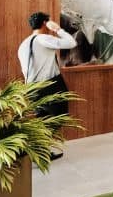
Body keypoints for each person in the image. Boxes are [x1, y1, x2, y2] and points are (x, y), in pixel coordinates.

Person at [18, 12, 77, 159]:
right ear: (45, 23)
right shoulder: (44, 39)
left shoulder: (24, 44)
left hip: (31, 88)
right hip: (49, 86)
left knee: (42, 118)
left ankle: (37, 151)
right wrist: (58, 29)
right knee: (59, 117)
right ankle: (34, 147)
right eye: (49, 21)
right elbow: (71, 42)